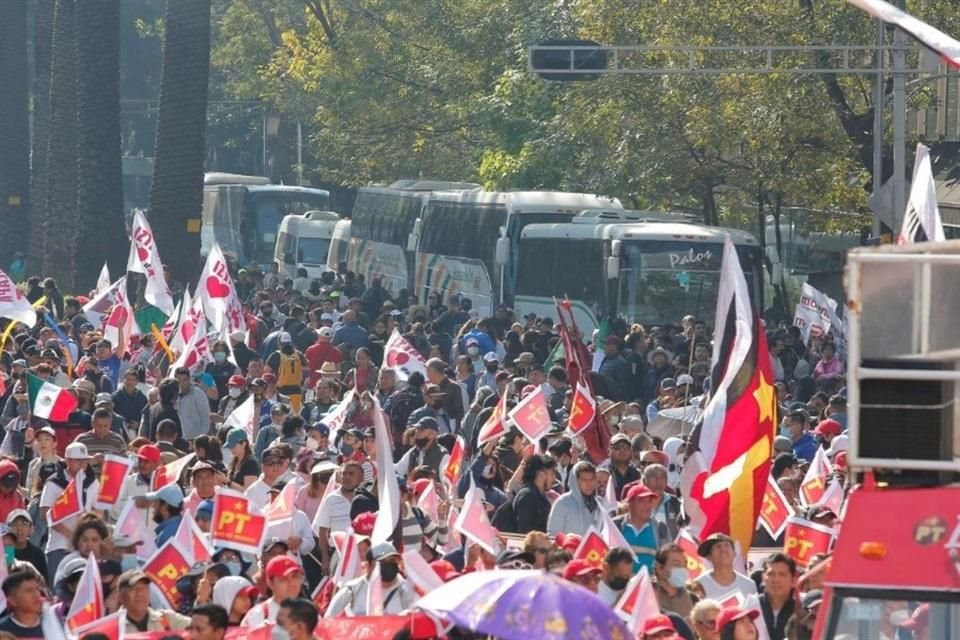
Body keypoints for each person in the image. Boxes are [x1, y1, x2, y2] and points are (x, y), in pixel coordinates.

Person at [40, 442, 99, 584]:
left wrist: (90, 524)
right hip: (59, 547)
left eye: (85, 460)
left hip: (86, 547)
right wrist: (71, 535)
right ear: (68, 461)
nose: (83, 464)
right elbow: (45, 514)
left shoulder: (92, 482)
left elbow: (98, 510)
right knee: (60, 590)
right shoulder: (54, 482)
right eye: (79, 460)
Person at [326, 542, 415, 617]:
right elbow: (328, 619)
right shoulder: (352, 590)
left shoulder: (406, 590)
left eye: (392, 561)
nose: (389, 565)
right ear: (370, 565)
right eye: (383, 562)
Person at [313, 460, 363, 576]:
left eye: (351, 474)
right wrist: (325, 558)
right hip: (338, 553)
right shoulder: (331, 499)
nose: (346, 477)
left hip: (361, 553)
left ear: (361, 477)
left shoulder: (366, 499)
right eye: (344, 474)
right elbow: (323, 531)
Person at [118, 569, 191, 633]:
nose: (140, 593)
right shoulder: (113, 627)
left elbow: (199, 626)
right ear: (120, 596)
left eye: (144, 588)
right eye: (133, 589)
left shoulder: (167, 619)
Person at [240, 555, 305, 626]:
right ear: (270, 583)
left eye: (295, 576)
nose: (291, 583)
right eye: (284, 579)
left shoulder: (310, 614)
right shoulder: (256, 616)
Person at [547, 461, 602, 537]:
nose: (589, 484)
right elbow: (554, 535)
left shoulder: (600, 504)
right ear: (575, 481)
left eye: (592, 479)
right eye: (584, 480)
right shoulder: (562, 503)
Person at [695, 534, 757, 600]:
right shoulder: (699, 585)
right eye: (718, 546)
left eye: (726, 545)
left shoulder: (749, 585)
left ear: (734, 554)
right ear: (708, 557)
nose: (723, 549)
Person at [618, 484, 663, 572]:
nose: (647, 506)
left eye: (650, 501)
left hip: (650, 584)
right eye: (641, 501)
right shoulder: (616, 525)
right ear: (630, 504)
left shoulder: (660, 528)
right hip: (621, 585)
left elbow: (665, 560)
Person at [512, 454, 556, 534]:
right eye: (552, 474)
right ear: (541, 474)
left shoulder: (541, 498)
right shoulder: (527, 496)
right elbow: (524, 532)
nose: (554, 478)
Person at [758, 553, 797, 640]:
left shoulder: (802, 613)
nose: (776, 580)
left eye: (782, 574)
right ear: (763, 578)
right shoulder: (751, 607)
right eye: (771, 574)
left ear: (793, 581)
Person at [653, 543, 695, 619]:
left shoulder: (692, 598)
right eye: (676, 564)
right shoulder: (647, 595)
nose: (683, 569)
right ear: (659, 568)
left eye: (685, 565)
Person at [0, 570, 44, 637]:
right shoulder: (2, 630)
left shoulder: (52, 623)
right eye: (29, 590)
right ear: (12, 600)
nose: (36, 594)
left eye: (37, 589)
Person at [5, 510, 46, 579]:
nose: (19, 528)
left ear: (31, 528)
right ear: (7, 529)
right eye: (14, 524)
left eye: (24, 524)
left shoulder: (37, 554)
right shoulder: (5, 552)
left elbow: (44, 583)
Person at [174, 367, 212, 441]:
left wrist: (200, 438)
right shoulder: (174, 395)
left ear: (189, 379)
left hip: (195, 439)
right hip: (180, 439)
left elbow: (206, 418)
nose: (181, 384)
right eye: (179, 381)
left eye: (184, 380)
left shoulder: (198, 394)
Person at [143, 483, 184, 548]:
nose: (153, 506)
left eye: (155, 501)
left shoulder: (166, 535)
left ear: (165, 505)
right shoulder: (181, 525)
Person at [425, 358, 464, 425]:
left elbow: (459, 412)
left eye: (428, 371)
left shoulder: (453, 387)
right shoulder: (430, 388)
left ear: (435, 371)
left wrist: (456, 431)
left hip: (451, 426)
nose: (427, 375)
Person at [608, 433, 642, 501]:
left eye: (626, 447)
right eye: (617, 447)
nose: (622, 450)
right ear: (609, 451)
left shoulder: (639, 474)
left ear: (631, 451)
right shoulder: (604, 474)